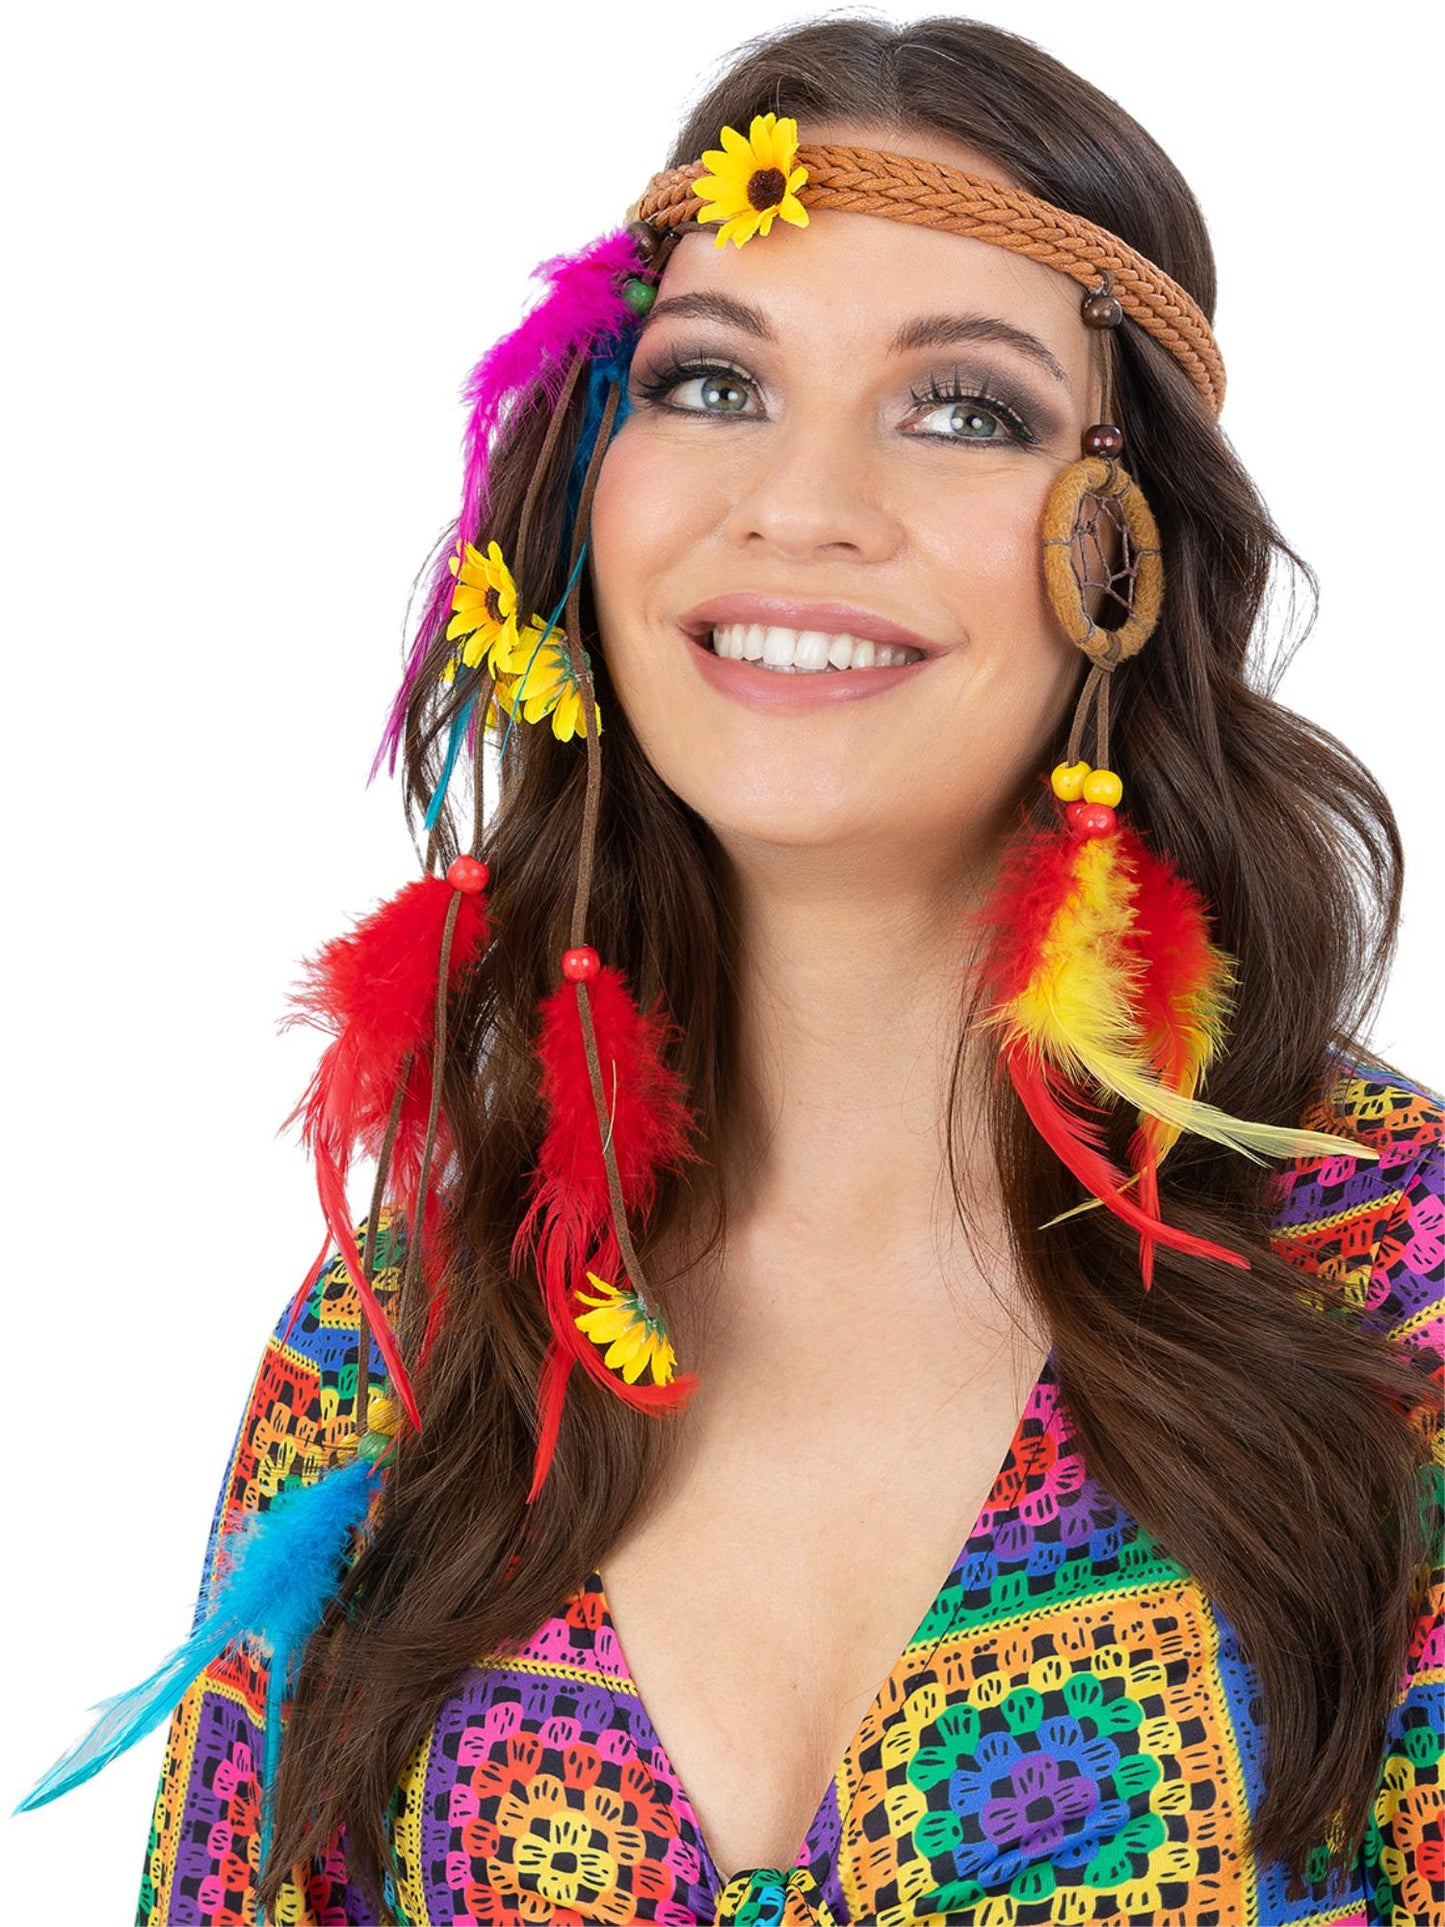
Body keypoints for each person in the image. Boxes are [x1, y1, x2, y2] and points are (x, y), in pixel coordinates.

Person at [16, 15, 1441, 1927]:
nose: (798, 501)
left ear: (1125, 550)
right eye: (710, 382)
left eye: (963, 409)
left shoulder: (1394, 1283)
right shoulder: (400, 1344)